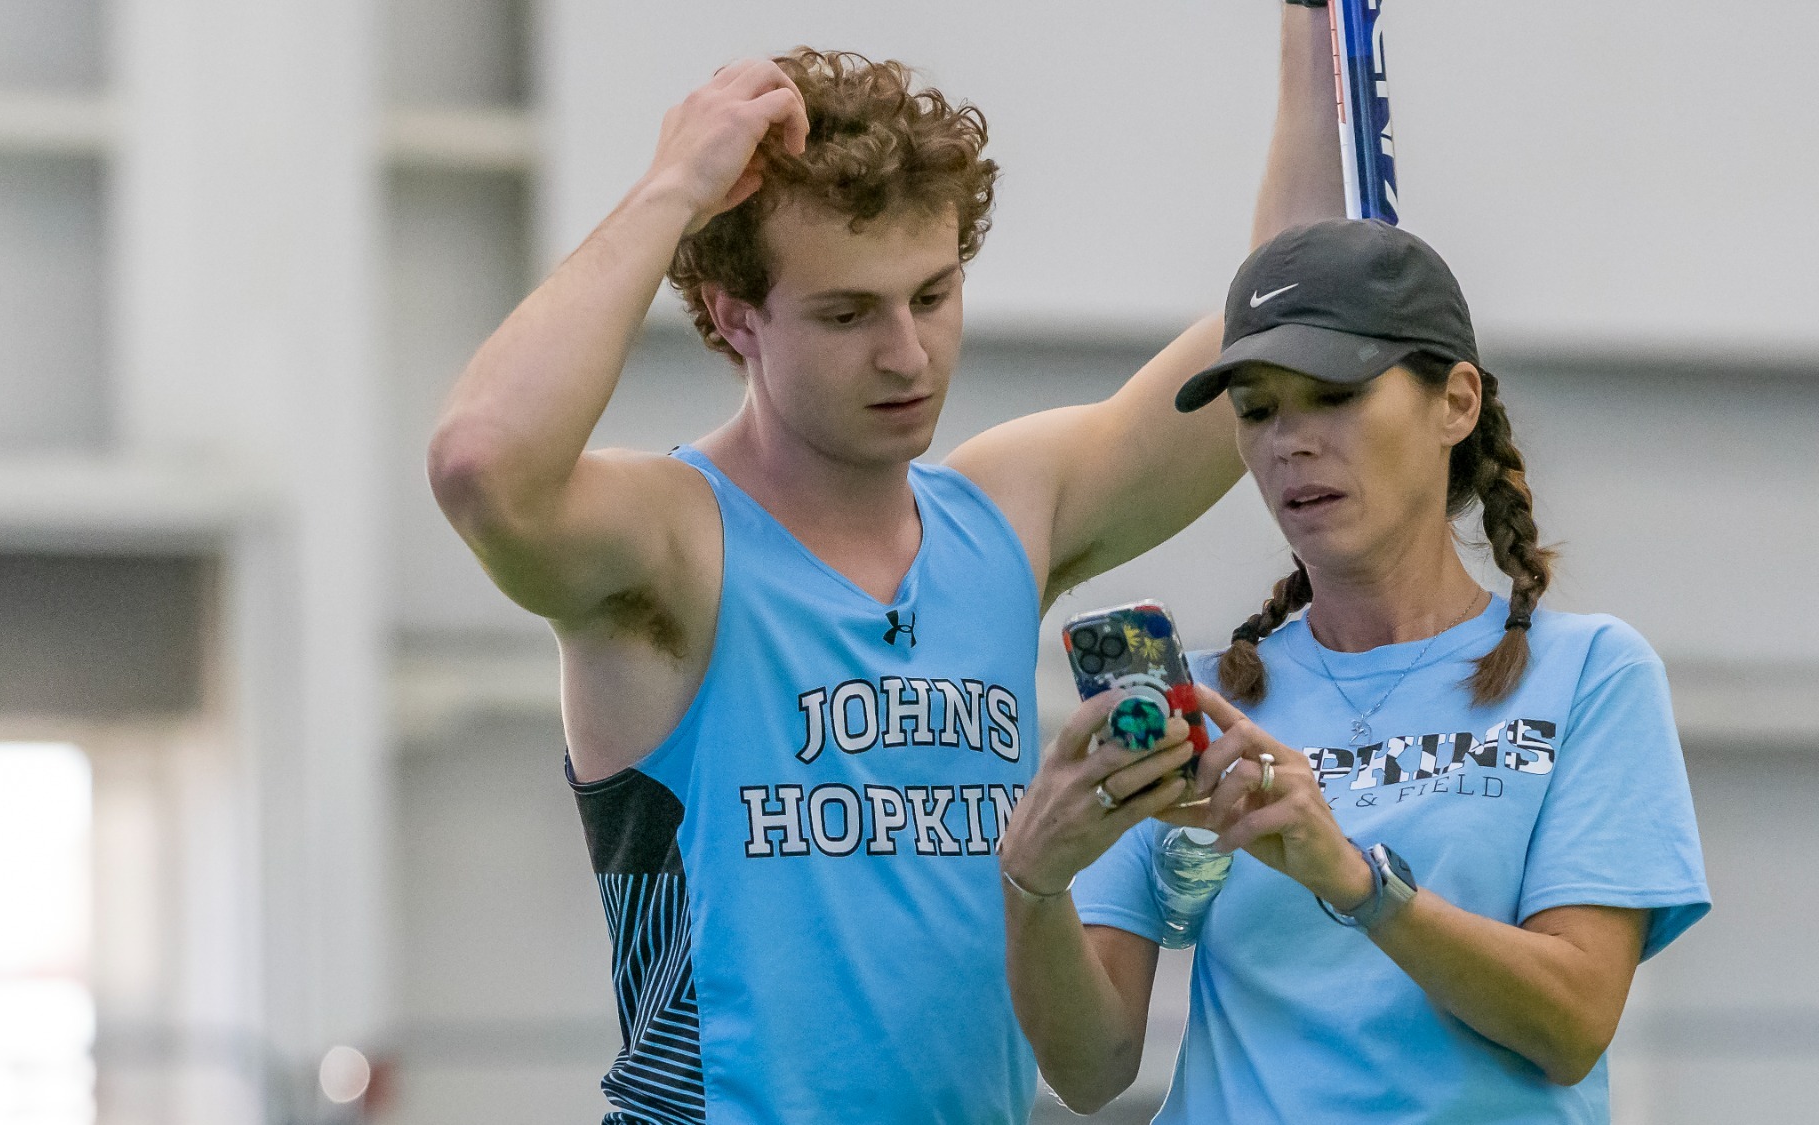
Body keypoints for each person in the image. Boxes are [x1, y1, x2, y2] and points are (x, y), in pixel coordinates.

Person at [427, 7, 1344, 1120]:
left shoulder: (1005, 516)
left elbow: (1290, 306)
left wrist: (1313, 25)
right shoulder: (671, 547)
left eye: (932, 294)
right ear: (734, 316)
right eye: (846, 312)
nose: (906, 354)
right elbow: (481, 462)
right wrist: (671, 186)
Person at [997, 218, 1713, 1123]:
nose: (1289, 442)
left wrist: (1355, 879)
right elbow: (1092, 1070)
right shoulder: (1205, 705)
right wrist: (1033, 879)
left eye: (1332, 395)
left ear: (1456, 401)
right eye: (1257, 410)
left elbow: (1572, 1021)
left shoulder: (1592, 673)